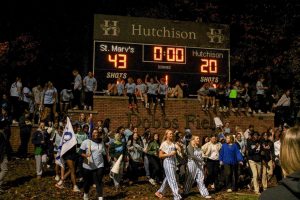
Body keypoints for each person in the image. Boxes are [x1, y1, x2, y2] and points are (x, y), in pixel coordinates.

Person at [260, 126, 300, 200]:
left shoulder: (269, 196)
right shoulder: (273, 143)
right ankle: (264, 185)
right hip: (266, 160)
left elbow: (272, 152)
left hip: (271, 160)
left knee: (270, 173)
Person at [80, 129, 107, 200]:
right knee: (87, 182)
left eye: (97, 132)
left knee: (99, 181)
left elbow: (104, 153)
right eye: (94, 132)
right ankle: (86, 193)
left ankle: (100, 196)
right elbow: (80, 152)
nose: (96, 134)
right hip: (88, 165)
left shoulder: (101, 142)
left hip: (99, 164)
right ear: (91, 133)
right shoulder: (86, 142)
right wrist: (85, 155)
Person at [155, 129, 182, 200]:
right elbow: (160, 155)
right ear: (166, 135)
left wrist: (179, 147)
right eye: (170, 134)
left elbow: (179, 150)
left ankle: (159, 192)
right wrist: (170, 154)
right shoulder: (164, 144)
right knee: (173, 179)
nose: (171, 135)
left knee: (168, 178)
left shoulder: (173, 143)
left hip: (173, 162)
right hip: (167, 162)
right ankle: (177, 196)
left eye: (172, 134)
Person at [0, 121, 9, 194]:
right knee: (5, 170)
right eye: (6, 126)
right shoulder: (0, 134)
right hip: (2, 155)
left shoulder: (2, 134)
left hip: (3, 154)